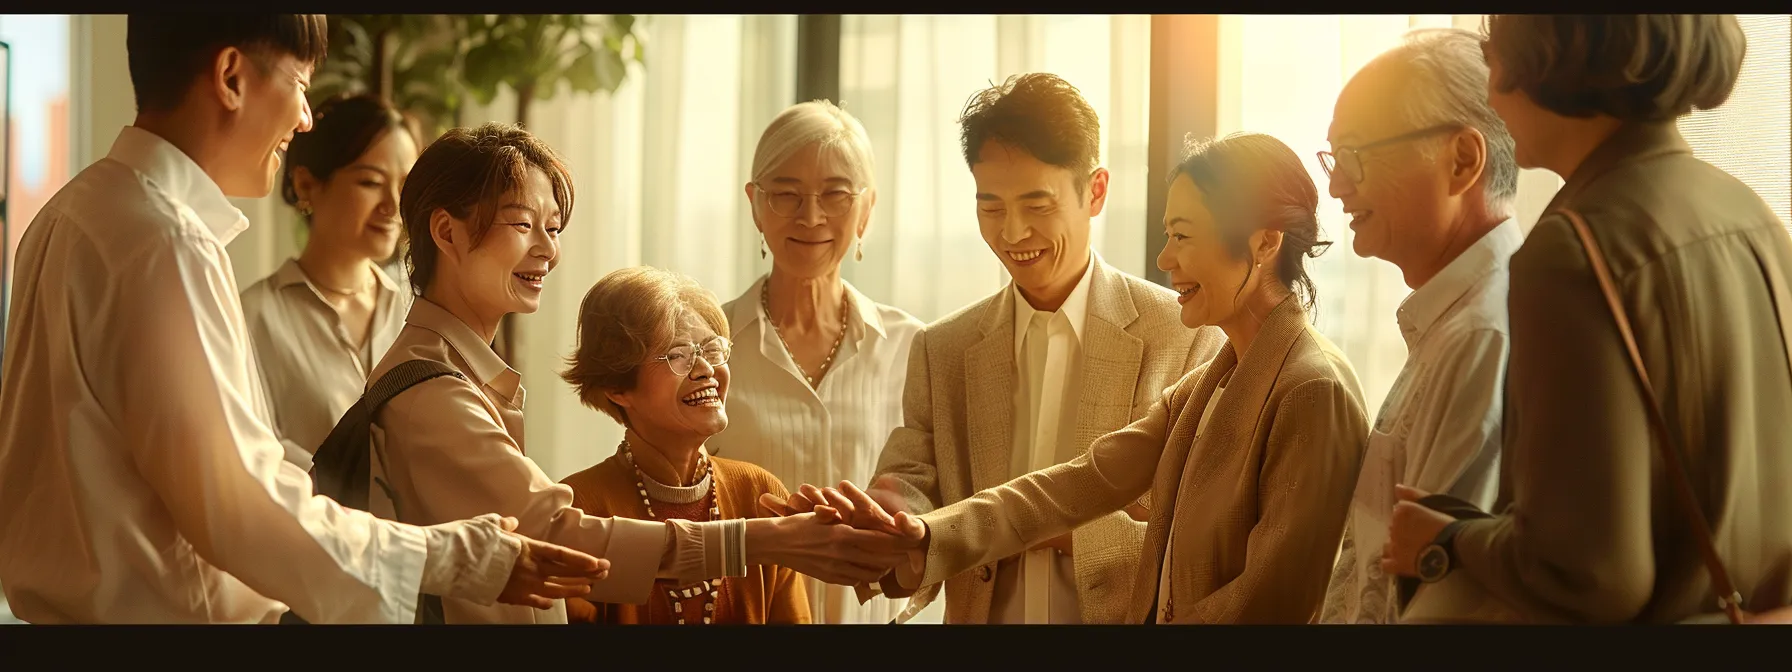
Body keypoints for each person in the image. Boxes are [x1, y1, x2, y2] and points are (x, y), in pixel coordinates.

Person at [0, 14, 605, 624]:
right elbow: (240, 504)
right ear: (232, 77)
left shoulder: (70, 213)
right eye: (300, 83)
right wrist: (448, 555)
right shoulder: (167, 240)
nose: (306, 117)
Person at [789, 132, 1371, 624]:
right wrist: (922, 535)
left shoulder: (1310, 390)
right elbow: (1075, 484)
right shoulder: (1209, 385)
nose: (1165, 259)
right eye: (1167, 234)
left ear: (1264, 243)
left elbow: (1270, 607)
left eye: (1184, 236)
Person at [365, 121, 909, 624]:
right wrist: (764, 540)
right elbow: (561, 539)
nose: (549, 250)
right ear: (447, 232)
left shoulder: (459, 375)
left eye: (553, 228)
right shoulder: (433, 392)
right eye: (523, 224)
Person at [1384, 14, 1792, 623]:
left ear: (1552, 57)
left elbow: (1590, 576)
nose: (1491, 87)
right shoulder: (1748, 213)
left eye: (1496, 57)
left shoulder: (1572, 250)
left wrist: (1446, 543)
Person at [857, 73, 1226, 624]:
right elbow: (913, 481)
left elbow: (1203, 527)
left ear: (1095, 191)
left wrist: (1026, 527)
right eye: (991, 207)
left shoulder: (1186, 335)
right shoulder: (944, 348)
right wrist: (891, 520)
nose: (1011, 234)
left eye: (1036, 205)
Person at [1313, 28, 1522, 624]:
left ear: (1462, 160)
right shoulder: (1450, 323)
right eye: (1332, 158)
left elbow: (1437, 596)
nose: (1335, 185)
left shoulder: (1484, 336)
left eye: (1355, 154)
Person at [705, 100, 923, 624]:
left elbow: (938, 506)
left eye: (836, 194)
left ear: (867, 209)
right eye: (786, 194)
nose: (811, 216)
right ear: (755, 204)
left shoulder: (914, 347)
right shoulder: (706, 345)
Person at [557, 267, 811, 624]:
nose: (706, 368)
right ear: (618, 386)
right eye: (678, 355)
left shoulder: (760, 493)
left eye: (712, 349)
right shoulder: (577, 509)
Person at [241, 93, 419, 466]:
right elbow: (252, 461)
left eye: (404, 185)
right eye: (371, 182)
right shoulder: (251, 318)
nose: (393, 205)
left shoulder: (415, 311)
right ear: (306, 185)